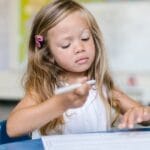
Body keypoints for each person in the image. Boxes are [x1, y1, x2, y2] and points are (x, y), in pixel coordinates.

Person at [6, 0, 150, 139]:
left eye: (85, 38)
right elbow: (12, 128)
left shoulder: (103, 88)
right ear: (48, 54)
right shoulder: (44, 90)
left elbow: (146, 116)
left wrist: (143, 114)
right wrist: (60, 103)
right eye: (66, 45)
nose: (80, 48)